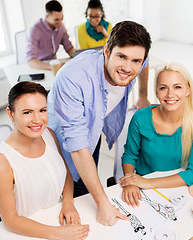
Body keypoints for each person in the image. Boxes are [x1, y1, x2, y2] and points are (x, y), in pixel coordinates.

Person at [47, 20, 152, 226]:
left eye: (135, 61)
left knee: (89, 189)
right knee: (77, 199)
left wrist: (142, 95)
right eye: (121, 57)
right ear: (106, 51)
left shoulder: (139, 60)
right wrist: (103, 203)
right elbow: (77, 148)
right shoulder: (72, 78)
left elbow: (145, 63)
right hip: (62, 145)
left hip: (92, 131)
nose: (128, 68)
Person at [0, 81, 89, 239]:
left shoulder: (49, 134)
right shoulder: (1, 162)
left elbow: (66, 174)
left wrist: (68, 203)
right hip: (28, 231)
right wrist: (57, 233)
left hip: (57, 216)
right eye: (27, 112)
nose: (37, 120)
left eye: (42, 110)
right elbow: (10, 220)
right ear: (10, 114)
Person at [119, 63, 193, 207]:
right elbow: (130, 155)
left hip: (175, 186)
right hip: (142, 188)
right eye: (163, 88)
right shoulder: (140, 118)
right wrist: (131, 182)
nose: (170, 94)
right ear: (156, 92)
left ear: (188, 90)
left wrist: (146, 183)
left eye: (177, 87)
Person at [26, 0, 75, 70]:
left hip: (54, 64)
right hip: (40, 66)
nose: (60, 22)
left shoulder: (61, 27)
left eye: (62, 19)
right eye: (57, 20)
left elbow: (69, 48)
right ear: (47, 16)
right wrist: (53, 67)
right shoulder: (34, 29)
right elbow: (31, 61)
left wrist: (80, 55)